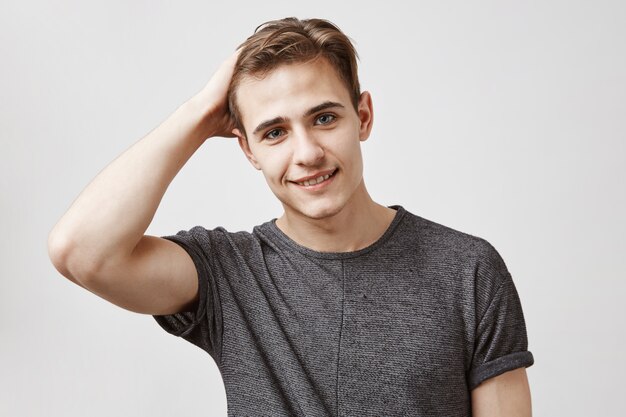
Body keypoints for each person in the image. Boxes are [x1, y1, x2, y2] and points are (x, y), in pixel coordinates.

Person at [48, 17, 534, 417]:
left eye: (324, 118)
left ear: (362, 117)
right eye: (275, 132)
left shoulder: (467, 269)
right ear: (248, 150)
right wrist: (199, 114)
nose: (307, 153)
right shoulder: (228, 274)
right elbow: (80, 251)